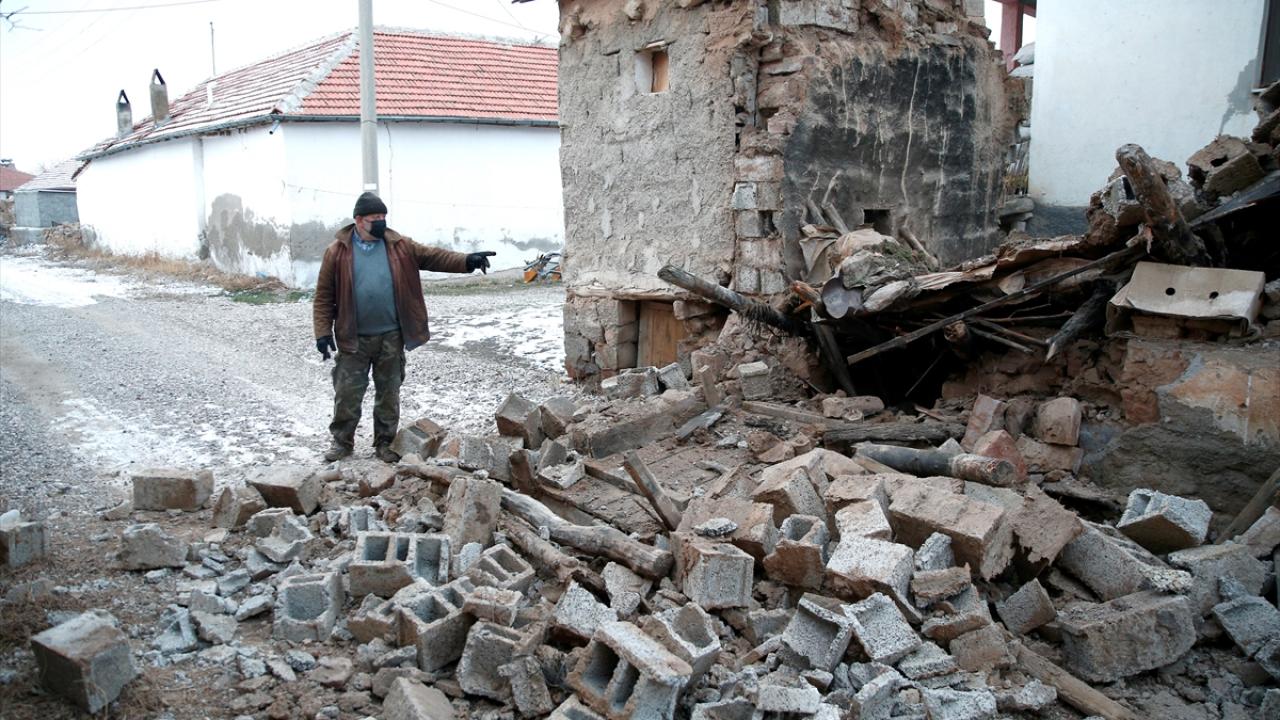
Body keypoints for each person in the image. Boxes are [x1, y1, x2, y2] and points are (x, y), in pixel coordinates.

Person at [313, 192, 496, 462]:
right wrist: (322, 332)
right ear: (359, 220)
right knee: (347, 394)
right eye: (375, 218)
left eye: (383, 217)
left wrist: (467, 261)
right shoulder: (337, 252)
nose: (381, 222)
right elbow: (323, 296)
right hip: (353, 338)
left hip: (391, 336)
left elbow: (433, 257)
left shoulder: (398, 245)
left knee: (389, 393)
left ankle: (385, 443)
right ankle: (342, 442)